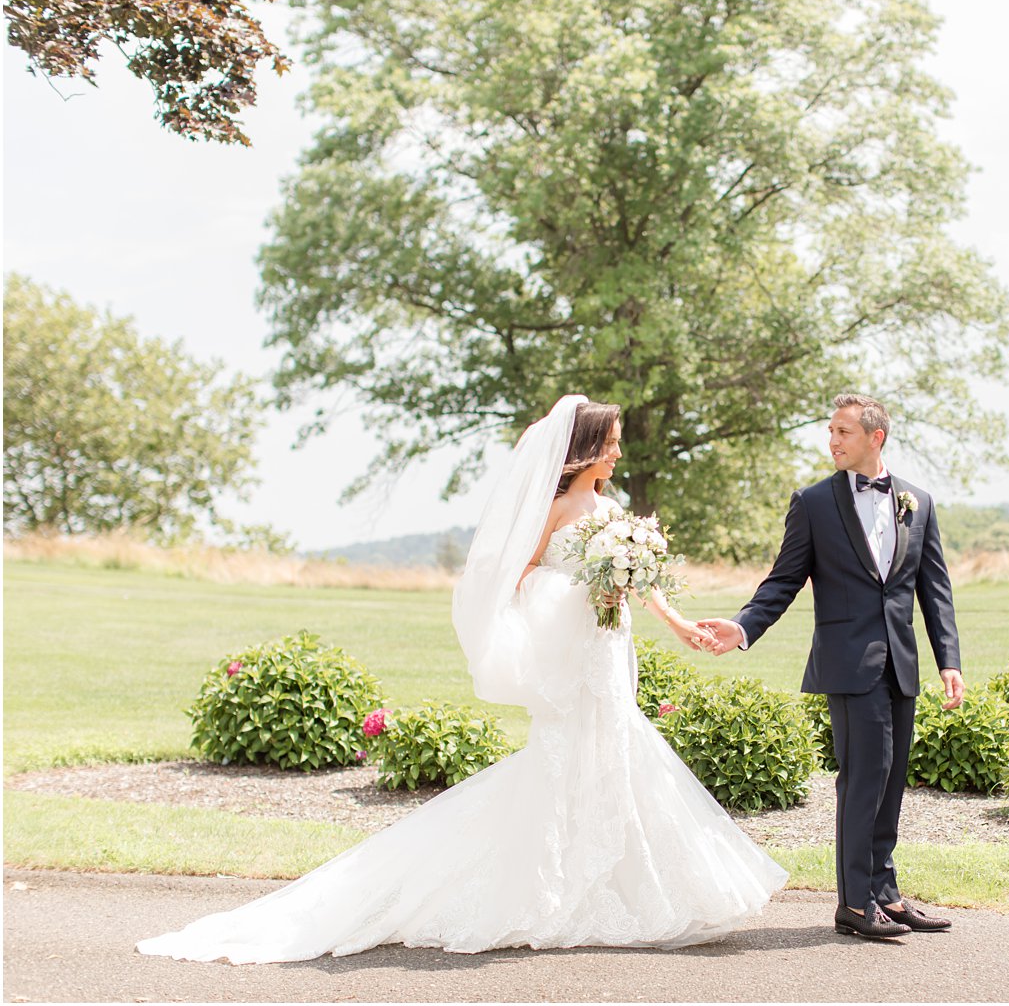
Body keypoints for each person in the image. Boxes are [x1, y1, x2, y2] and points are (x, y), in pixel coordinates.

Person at [136, 395, 786, 964]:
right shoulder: (556, 507)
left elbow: (638, 583)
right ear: (588, 447)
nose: (619, 453)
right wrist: (579, 586)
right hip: (574, 657)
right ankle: (549, 890)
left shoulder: (612, 508)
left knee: (617, 755)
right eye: (612, 443)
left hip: (611, 654)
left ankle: (623, 887)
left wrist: (677, 624)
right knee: (566, 762)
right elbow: (520, 575)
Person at [699, 393, 963, 940]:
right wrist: (744, 627)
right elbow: (783, 579)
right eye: (830, 431)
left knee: (891, 780)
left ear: (875, 437)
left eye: (843, 432)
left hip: (902, 664)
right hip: (848, 664)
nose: (833, 441)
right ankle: (854, 903)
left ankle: (885, 895)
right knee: (863, 778)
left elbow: (934, 589)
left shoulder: (918, 501)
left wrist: (948, 661)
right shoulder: (815, 503)